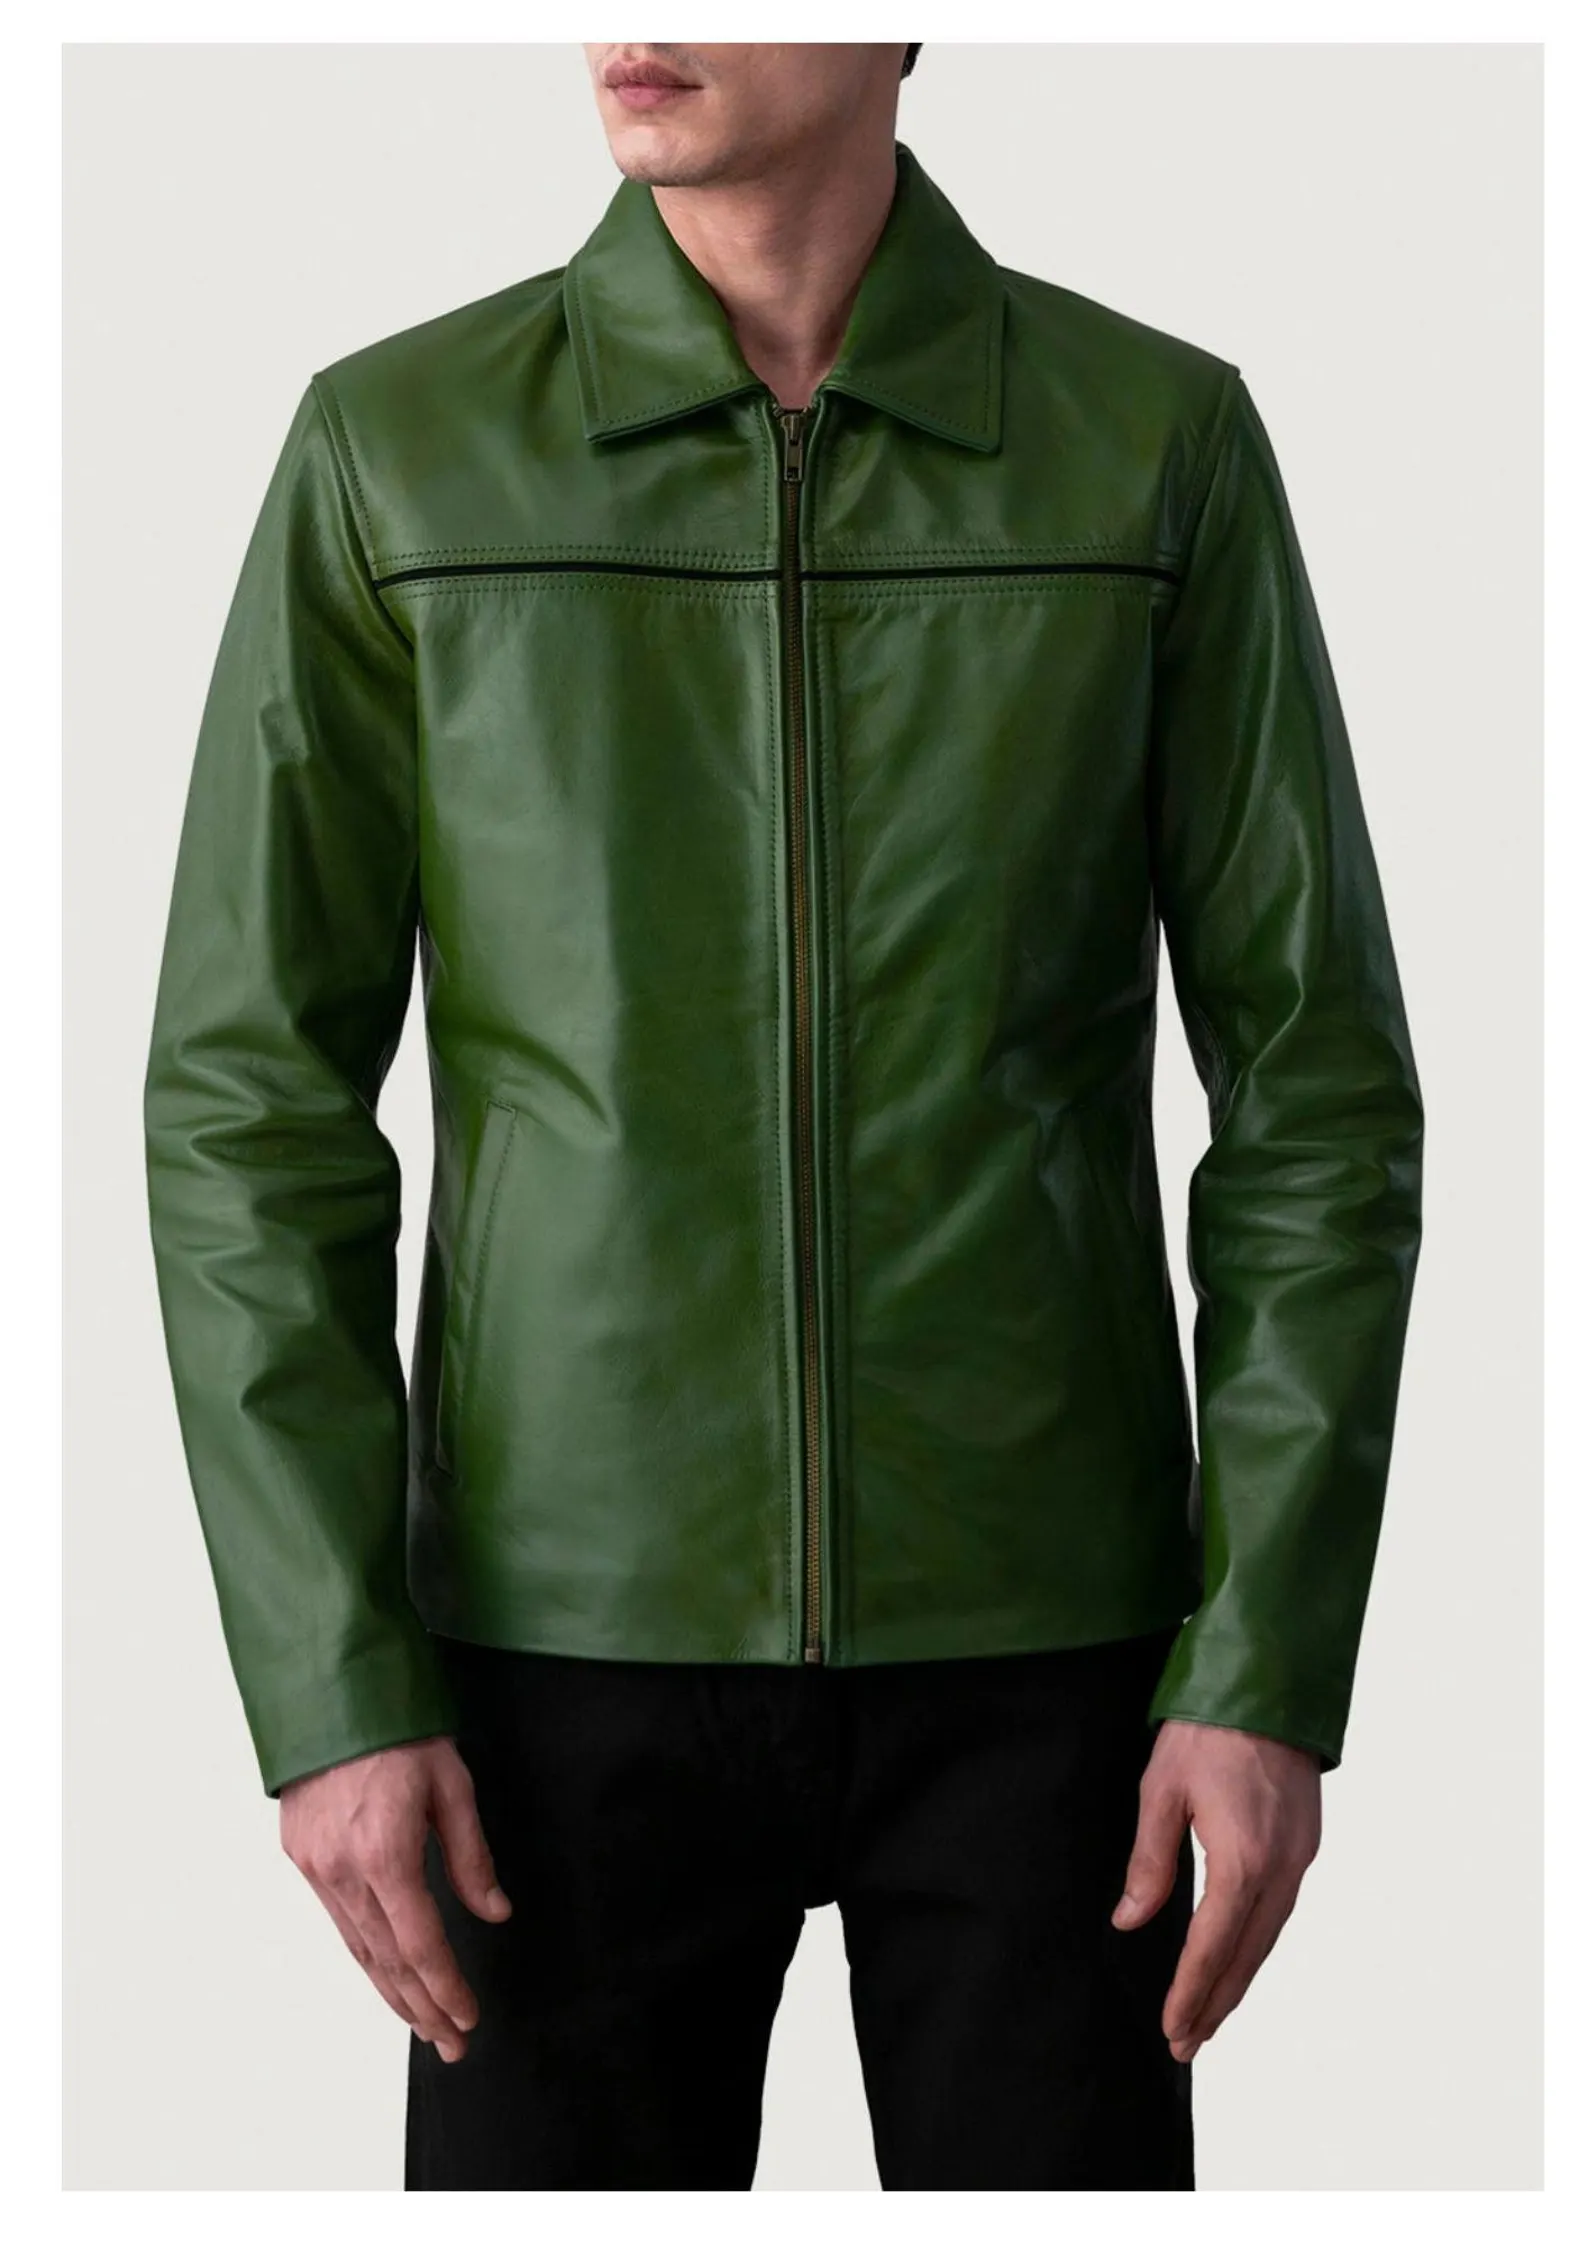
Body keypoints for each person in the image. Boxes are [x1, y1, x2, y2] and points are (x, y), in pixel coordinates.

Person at [142, 42, 1424, 2191]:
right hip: (546, 1661)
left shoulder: (1147, 443)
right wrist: (331, 1678)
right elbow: (247, 1102)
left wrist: (1268, 1652)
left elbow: (1315, 1089)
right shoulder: (402, 449)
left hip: (1055, 1663)